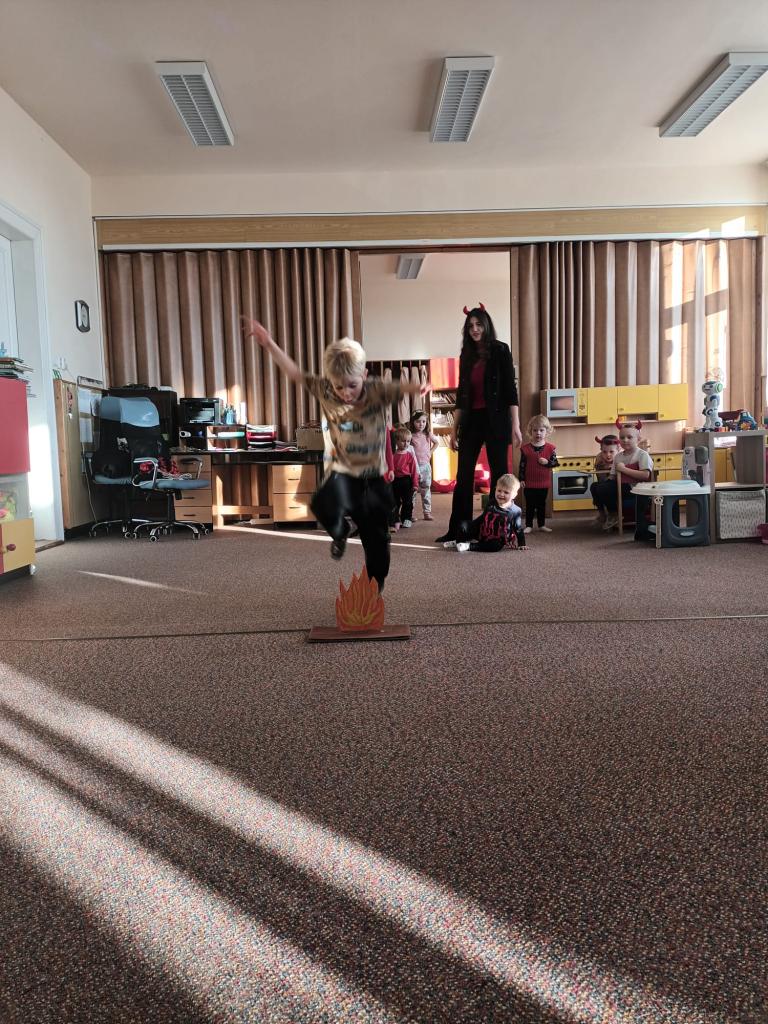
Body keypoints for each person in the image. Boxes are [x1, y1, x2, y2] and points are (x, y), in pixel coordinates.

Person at [242, 318, 429, 592]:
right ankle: (340, 532)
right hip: (344, 471)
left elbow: (402, 388)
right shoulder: (326, 389)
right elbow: (295, 373)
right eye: (339, 387)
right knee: (321, 503)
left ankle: (375, 585)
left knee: (376, 538)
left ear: (364, 375)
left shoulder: (376, 389)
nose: (345, 393)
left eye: (352, 385)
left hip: (374, 477)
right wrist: (268, 343)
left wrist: (419, 389)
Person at [435, 304, 522, 545]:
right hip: (472, 420)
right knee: (463, 475)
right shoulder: (466, 355)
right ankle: (458, 529)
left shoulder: (501, 350)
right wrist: (453, 430)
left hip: (496, 419)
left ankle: (494, 527)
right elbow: (462, 395)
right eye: (470, 326)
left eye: (478, 324)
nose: (474, 329)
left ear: (486, 326)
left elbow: (510, 391)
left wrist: (515, 425)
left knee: (498, 474)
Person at [590, 420, 653, 532]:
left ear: (638, 439)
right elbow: (612, 477)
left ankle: (614, 514)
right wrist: (603, 483)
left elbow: (645, 475)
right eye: (622, 437)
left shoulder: (642, 455)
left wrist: (624, 469)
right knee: (595, 486)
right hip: (621, 486)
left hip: (635, 488)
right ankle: (605, 514)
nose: (625, 440)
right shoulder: (618, 456)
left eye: (629, 437)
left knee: (603, 488)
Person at [448, 473, 526, 553]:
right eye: (499, 490)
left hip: (498, 538)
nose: (501, 494)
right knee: (463, 524)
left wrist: (522, 543)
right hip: (483, 532)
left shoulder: (516, 510)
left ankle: (469, 546)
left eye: (506, 492)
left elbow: (518, 528)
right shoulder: (491, 503)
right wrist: (470, 526)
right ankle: (459, 542)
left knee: (495, 546)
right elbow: (482, 518)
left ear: (514, 495)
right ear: (495, 489)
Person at [518, 414, 558, 534]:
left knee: (541, 505)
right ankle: (529, 525)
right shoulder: (525, 449)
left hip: (543, 483)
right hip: (529, 483)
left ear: (547, 431)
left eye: (541, 430)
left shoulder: (551, 448)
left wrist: (547, 462)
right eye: (535, 430)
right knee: (530, 505)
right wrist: (521, 479)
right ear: (531, 431)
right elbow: (522, 465)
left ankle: (541, 525)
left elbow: (555, 463)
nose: (538, 433)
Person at [409, 410, 438, 520]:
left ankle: (427, 512)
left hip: (425, 467)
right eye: (418, 421)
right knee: (412, 492)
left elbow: (437, 442)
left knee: (426, 490)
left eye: (423, 421)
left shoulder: (427, 434)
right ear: (413, 422)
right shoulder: (410, 436)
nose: (421, 424)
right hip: (413, 468)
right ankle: (409, 514)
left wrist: (430, 452)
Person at [391, 426, 419, 529]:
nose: (406, 444)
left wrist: (415, 484)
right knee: (395, 502)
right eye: (403, 441)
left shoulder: (409, 455)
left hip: (406, 481)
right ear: (397, 441)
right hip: (394, 481)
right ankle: (395, 519)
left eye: (408, 441)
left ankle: (406, 519)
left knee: (407, 502)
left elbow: (414, 471)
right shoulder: (393, 455)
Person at [590, 433, 621, 526]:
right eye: (604, 452)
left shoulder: (621, 457)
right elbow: (600, 478)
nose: (608, 455)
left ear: (618, 450)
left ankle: (613, 514)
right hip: (605, 482)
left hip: (619, 484)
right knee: (593, 486)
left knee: (603, 488)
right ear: (601, 450)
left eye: (611, 452)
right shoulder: (599, 458)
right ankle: (602, 514)